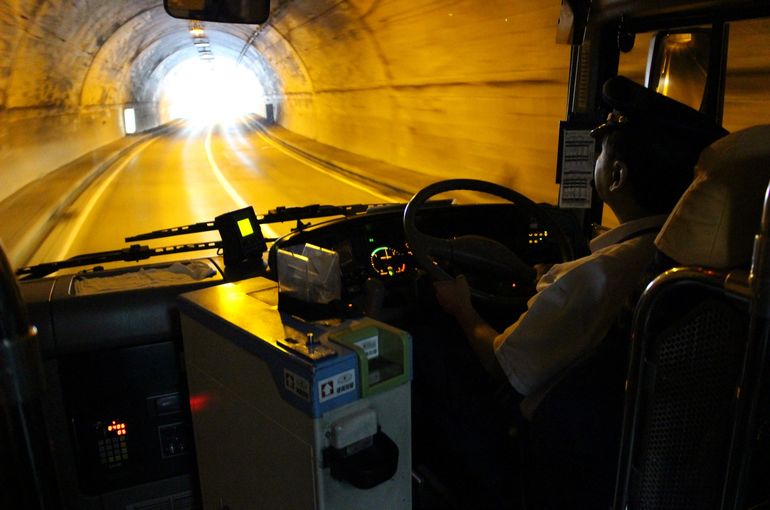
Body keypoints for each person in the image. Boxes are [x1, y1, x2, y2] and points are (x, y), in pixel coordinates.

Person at [430, 75, 728, 508]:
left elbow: (499, 365)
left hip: (540, 452)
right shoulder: (674, 263)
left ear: (617, 175)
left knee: (430, 357)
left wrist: (461, 306)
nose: (596, 158)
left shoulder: (591, 276)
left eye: (602, 151)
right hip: (613, 455)